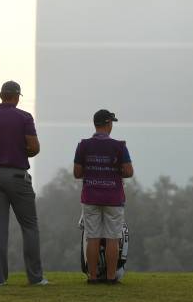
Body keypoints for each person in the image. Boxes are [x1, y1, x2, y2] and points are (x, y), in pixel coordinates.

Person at [0, 80, 48, 286]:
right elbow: (34, 147)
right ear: (16, 97)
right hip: (17, 177)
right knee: (29, 226)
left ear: (1, 96)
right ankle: (35, 277)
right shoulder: (24, 117)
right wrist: (20, 151)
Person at [73, 109, 134, 285]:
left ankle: (92, 277)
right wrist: (115, 169)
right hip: (113, 197)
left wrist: (91, 170)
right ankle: (110, 277)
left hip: (90, 196)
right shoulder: (119, 146)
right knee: (112, 238)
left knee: (92, 237)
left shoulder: (83, 145)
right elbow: (129, 172)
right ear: (108, 124)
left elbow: (77, 173)